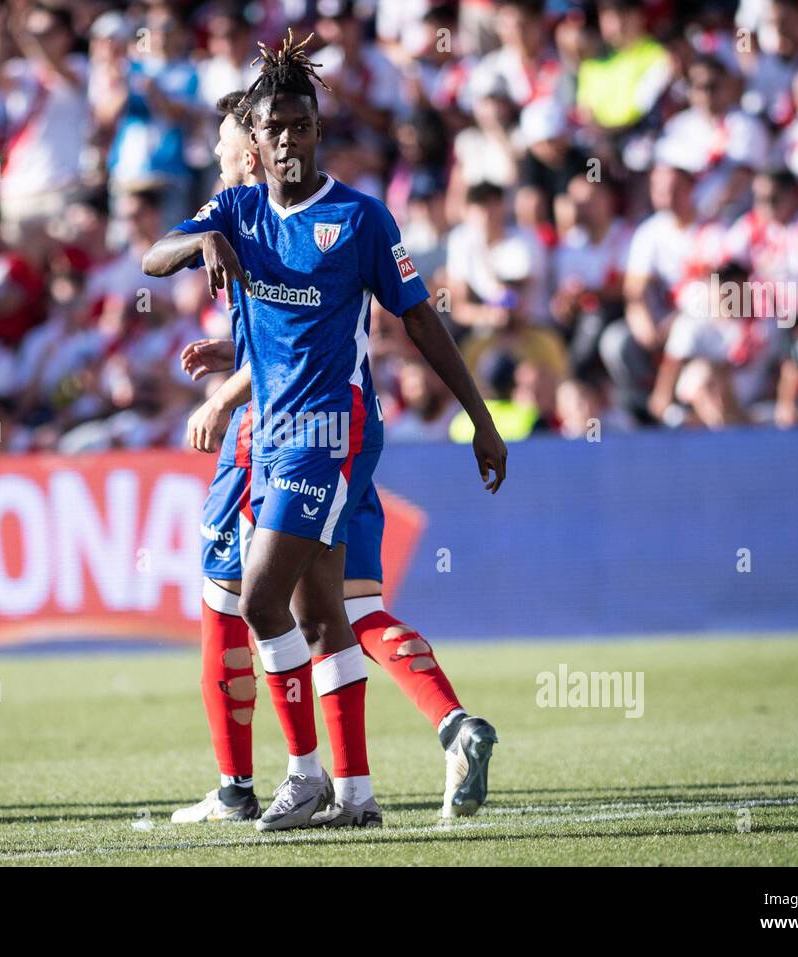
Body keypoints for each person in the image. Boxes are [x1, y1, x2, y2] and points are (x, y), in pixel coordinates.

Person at [143, 32, 506, 830]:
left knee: (260, 598)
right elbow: (152, 255)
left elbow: (422, 321)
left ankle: (301, 776)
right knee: (321, 617)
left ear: (316, 132)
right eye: (272, 128)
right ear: (258, 138)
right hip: (270, 435)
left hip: (330, 431)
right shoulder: (238, 209)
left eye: (299, 126)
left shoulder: (359, 218)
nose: (285, 140)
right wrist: (200, 238)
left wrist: (480, 419)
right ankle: (356, 797)